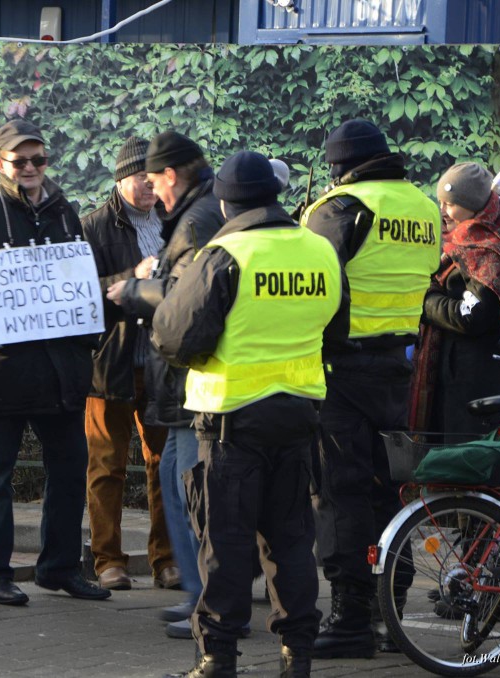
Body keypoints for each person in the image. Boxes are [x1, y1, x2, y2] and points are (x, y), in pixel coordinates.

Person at [153, 151, 347, 678]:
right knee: (291, 543)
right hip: (299, 417)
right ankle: (297, 655)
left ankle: (217, 658)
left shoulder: (224, 253)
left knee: (226, 544)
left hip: (232, 422)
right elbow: (337, 332)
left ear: (225, 200)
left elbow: (173, 338)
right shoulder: (320, 249)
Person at [0, 119, 110, 605]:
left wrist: (82, 340)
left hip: (60, 373)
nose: (32, 168)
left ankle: (58, 568)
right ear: (1, 164)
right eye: (21, 161)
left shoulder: (65, 211)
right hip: (4, 373)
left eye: (39, 160)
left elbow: (79, 280)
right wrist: (0, 335)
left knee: (69, 470)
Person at [300, 119, 441, 657]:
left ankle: (351, 618)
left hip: (342, 370)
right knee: (392, 491)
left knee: (342, 491)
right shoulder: (424, 207)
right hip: (400, 367)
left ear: (338, 165)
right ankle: (393, 614)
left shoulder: (337, 208)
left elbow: (311, 279)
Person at [106, 131, 224, 636]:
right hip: (185, 386)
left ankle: (207, 603)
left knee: (186, 491)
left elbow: (186, 300)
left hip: (187, 385)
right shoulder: (202, 212)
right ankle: (202, 597)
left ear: (171, 175)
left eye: (156, 179)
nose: (154, 190)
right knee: (182, 487)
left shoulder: (195, 222)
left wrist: (134, 290)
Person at [81, 135, 177, 591]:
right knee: (107, 466)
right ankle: (108, 561)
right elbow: (79, 293)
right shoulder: (93, 227)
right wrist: (131, 279)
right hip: (110, 362)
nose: (149, 185)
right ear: (121, 179)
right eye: (141, 177)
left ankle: (167, 560)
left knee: (165, 465)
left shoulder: (173, 222)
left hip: (163, 363)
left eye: (153, 177)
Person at [409, 162, 500, 438]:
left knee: (469, 469)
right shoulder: (467, 243)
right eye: (440, 202)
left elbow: (469, 315)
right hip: (467, 378)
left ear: (472, 204)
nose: (442, 211)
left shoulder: (488, 252)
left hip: (474, 385)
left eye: (449, 204)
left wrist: (425, 301)